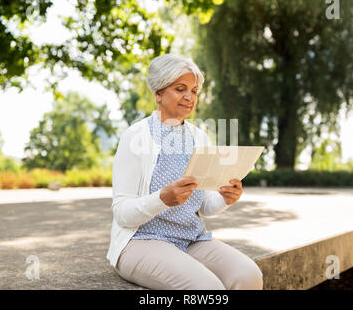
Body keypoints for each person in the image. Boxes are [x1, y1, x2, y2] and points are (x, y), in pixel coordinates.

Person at [106, 54, 263, 290]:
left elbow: (204, 206)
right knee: (208, 290)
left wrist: (225, 197)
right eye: (180, 89)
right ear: (158, 92)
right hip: (140, 241)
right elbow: (122, 213)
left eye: (194, 91)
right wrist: (162, 199)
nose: (189, 97)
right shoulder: (136, 137)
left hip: (191, 239)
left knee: (249, 275)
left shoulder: (198, 137)